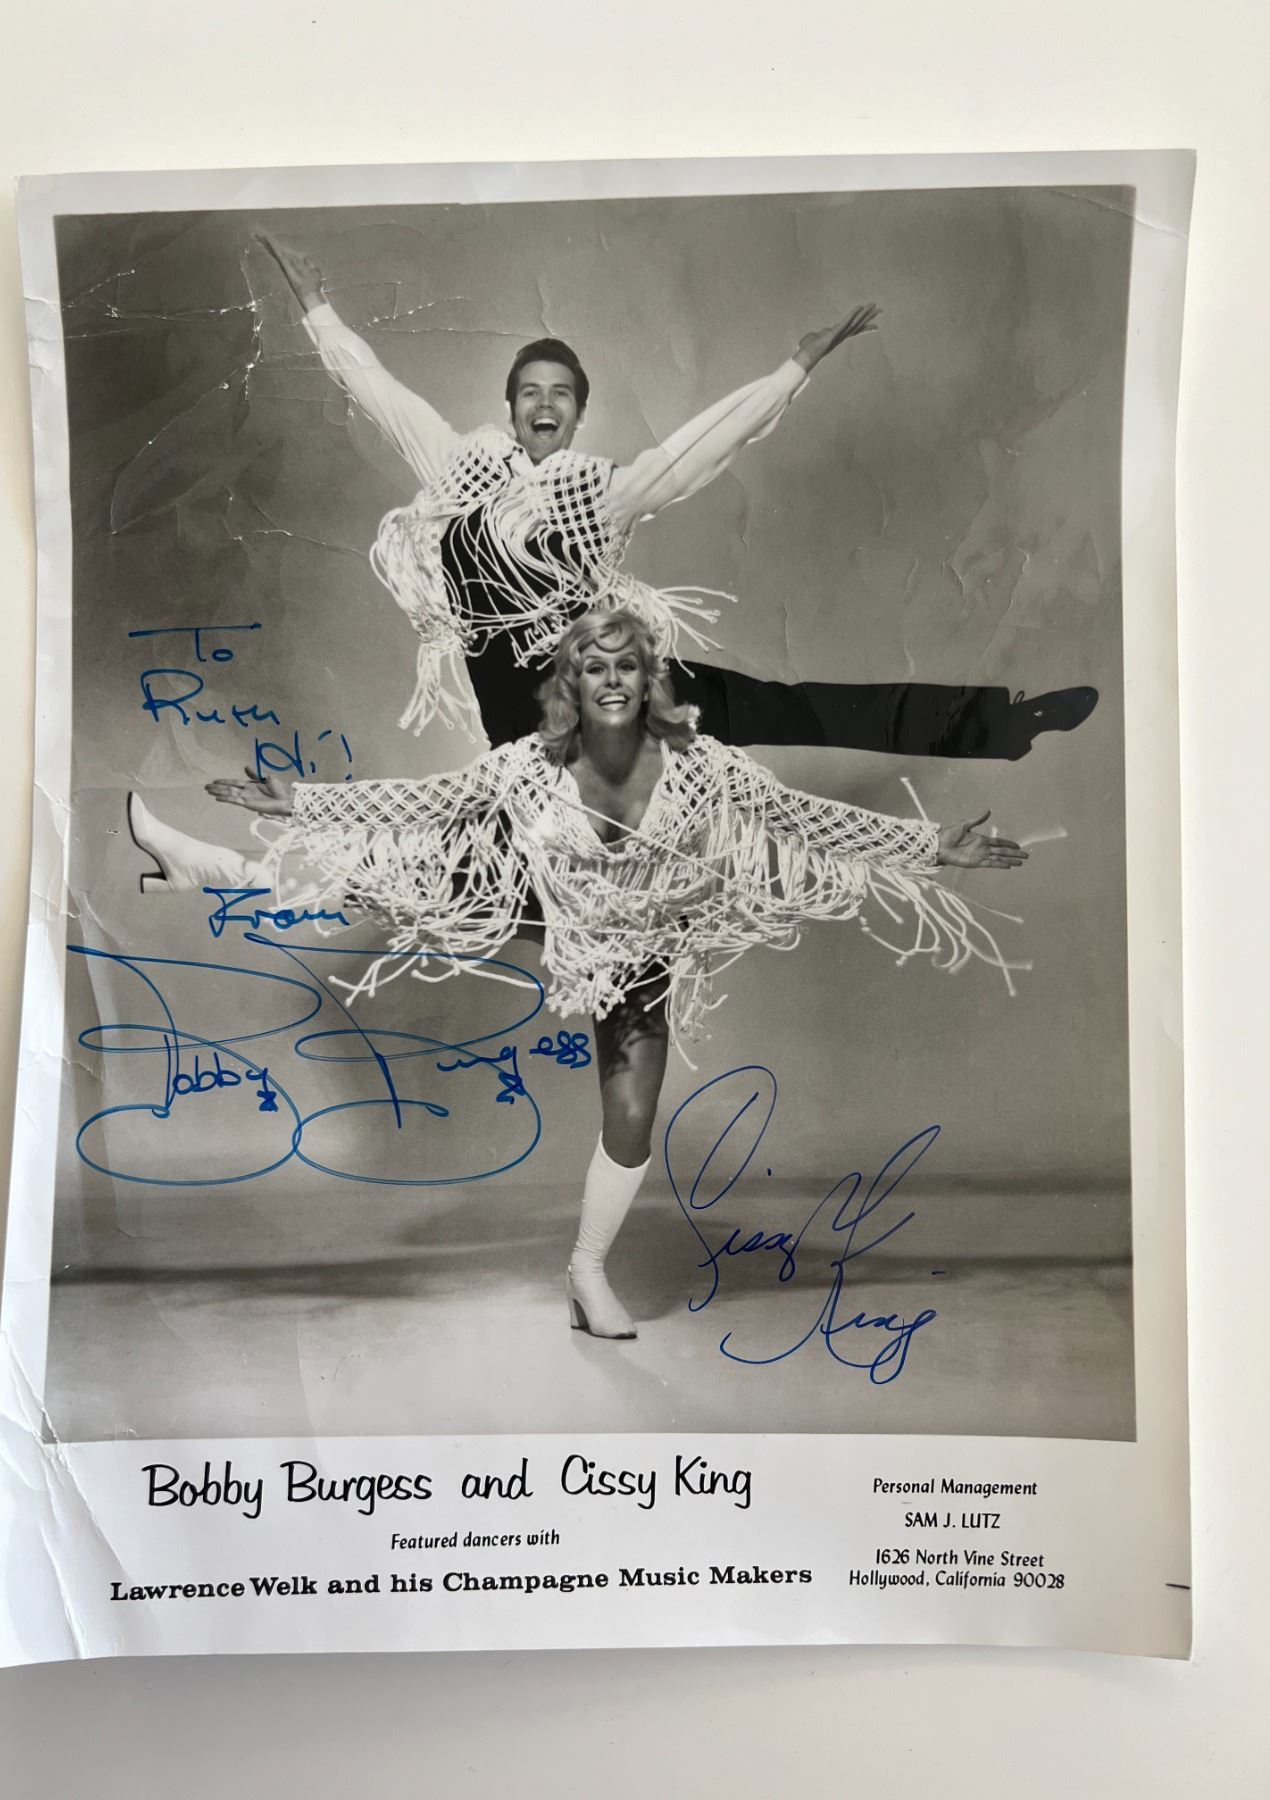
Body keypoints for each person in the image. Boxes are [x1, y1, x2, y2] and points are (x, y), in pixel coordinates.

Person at [129, 610, 1028, 1340]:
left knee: (632, 1121)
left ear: (649, 680)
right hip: (543, 902)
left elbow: (801, 819)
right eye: (594, 668)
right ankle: (211, 867)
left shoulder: (704, 767)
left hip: (635, 945)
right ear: (572, 683)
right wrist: (303, 800)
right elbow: (426, 802)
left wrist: (931, 846)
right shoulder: (527, 765)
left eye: (627, 666)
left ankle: (587, 1271)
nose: (611, 681)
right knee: (399, 878)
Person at [259, 233, 1095, 761]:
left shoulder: (599, 495)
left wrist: (795, 368)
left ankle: (1002, 722)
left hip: (611, 687)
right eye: (530, 392)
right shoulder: (456, 468)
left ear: (578, 415)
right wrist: (317, 308)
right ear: (510, 407)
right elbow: (380, 394)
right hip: (525, 725)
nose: (544, 405)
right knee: (541, 851)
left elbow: (702, 447)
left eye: (561, 395)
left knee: (787, 709)